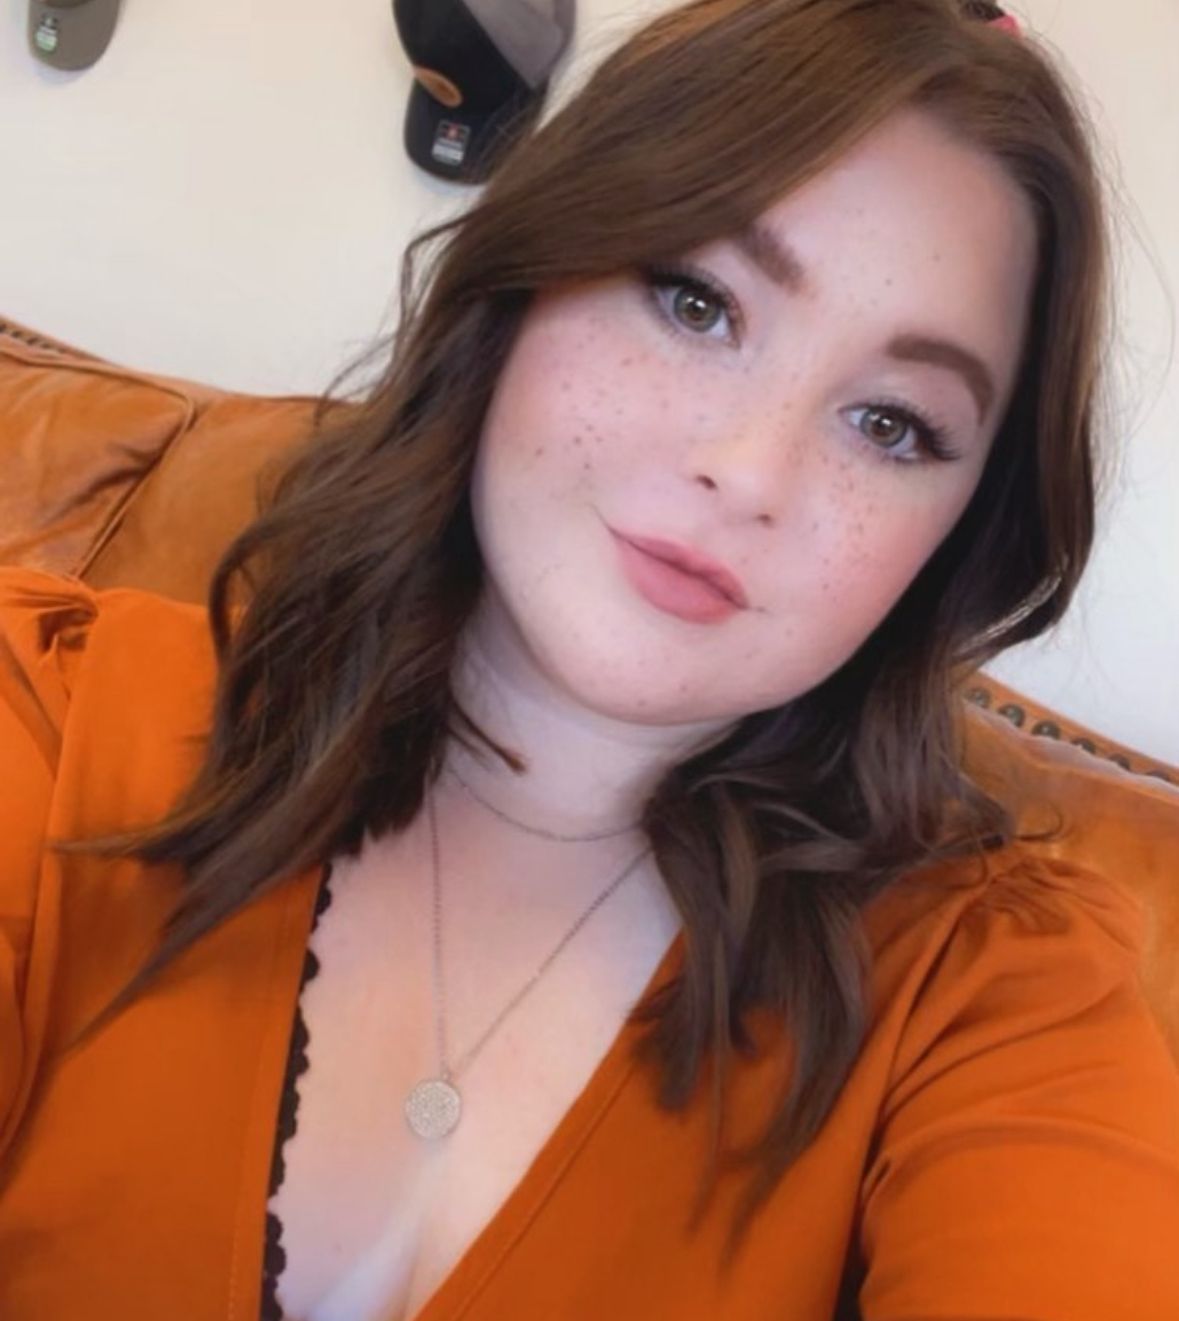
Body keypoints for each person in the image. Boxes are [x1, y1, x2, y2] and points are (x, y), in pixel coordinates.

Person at [2, 0, 1177, 1318]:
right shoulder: (50, 711)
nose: (749, 468)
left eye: (894, 425)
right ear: (530, 273)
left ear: (960, 536)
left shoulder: (996, 997)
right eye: (696, 301)